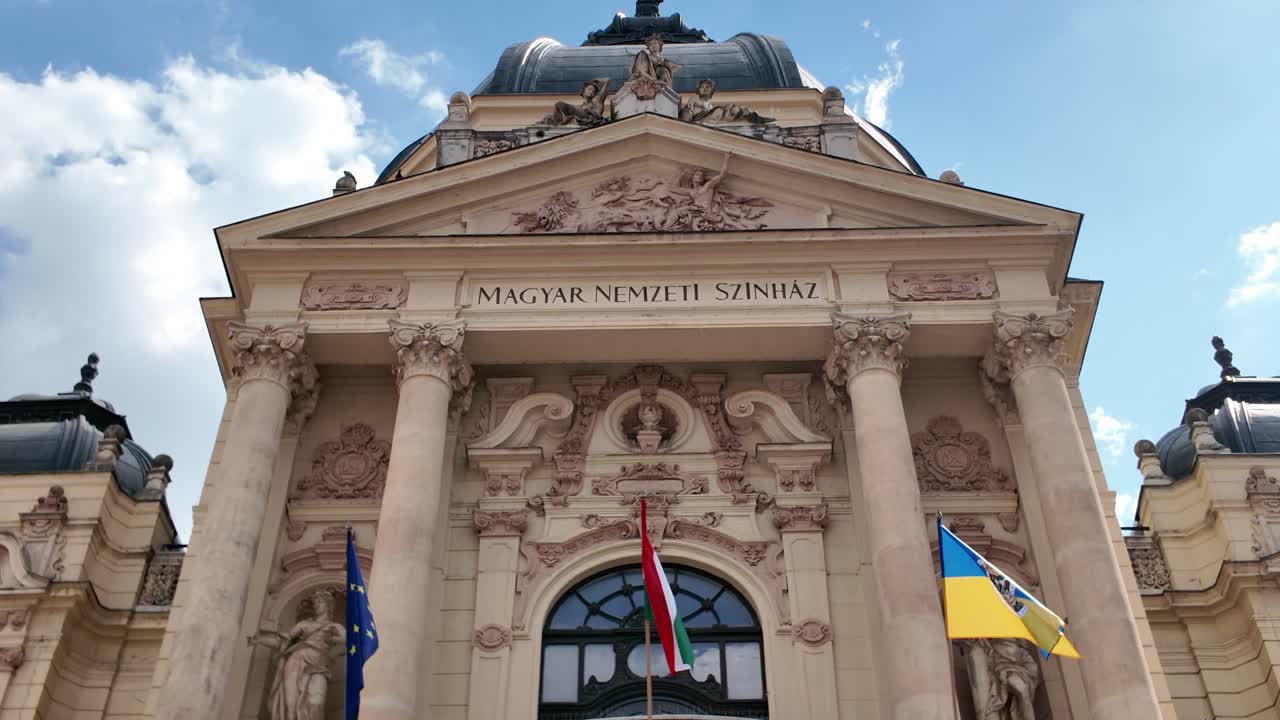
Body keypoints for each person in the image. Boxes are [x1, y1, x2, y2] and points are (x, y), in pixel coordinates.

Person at [256, 590, 346, 720]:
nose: (316, 605)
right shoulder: (304, 624)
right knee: (290, 703)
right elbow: (285, 640)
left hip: (319, 664)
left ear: (328, 605)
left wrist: (330, 638)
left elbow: (348, 641)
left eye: (320, 602)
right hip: (296, 661)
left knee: (316, 702)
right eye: (315, 602)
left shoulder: (334, 627)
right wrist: (260, 639)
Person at [679, 79, 774, 125]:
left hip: (707, 119)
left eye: (707, 87)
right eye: (702, 87)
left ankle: (749, 116)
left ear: (712, 91)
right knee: (721, 110)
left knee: (722, 111)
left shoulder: (710, 106)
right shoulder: (695, 98)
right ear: (698, 90)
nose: (704, 89)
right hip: (695, 119)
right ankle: (747, 116)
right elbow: (689, 108)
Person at [540, 78, 609, 127]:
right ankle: (559, 123)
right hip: (579, 116)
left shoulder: (597, 103)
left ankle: (559, 123)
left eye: (593, 91)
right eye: (589, 89)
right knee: (550, 115)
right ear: (583, 90)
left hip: (587, 119)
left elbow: (606, 85)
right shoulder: (580, 106)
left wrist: (602, 81)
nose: (591, 92)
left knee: (560, 104)